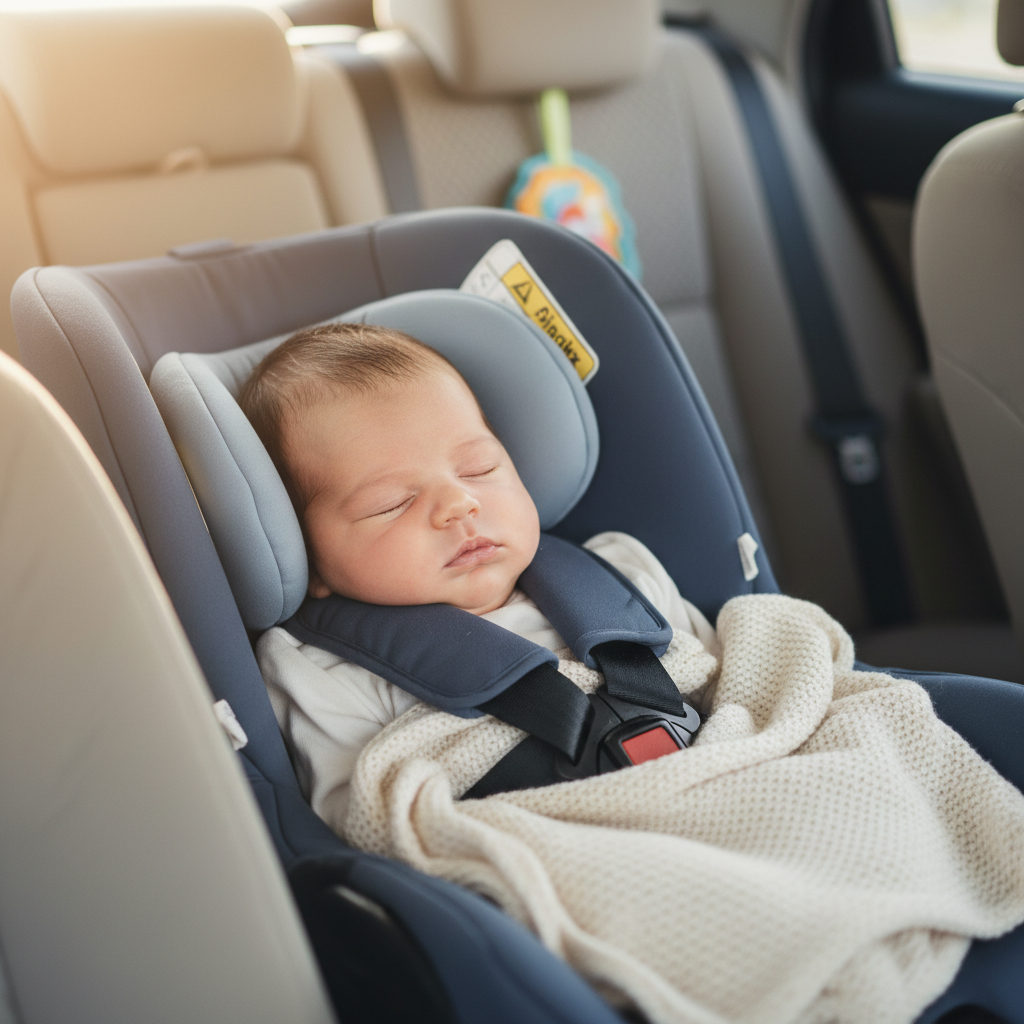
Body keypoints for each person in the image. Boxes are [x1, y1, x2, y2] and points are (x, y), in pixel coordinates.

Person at [241, 320, 716, 835]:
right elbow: (369, 826)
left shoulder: (624, 577)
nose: (458, 503)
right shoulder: (325, 675)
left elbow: (735, 693)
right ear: (305, 554)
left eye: (479, 469)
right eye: (392, 504)